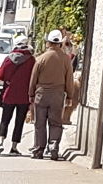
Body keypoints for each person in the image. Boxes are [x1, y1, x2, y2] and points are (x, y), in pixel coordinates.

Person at [29, 29, 75, 160]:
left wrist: (31, 94)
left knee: (40, 123)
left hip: (41, 94)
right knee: (55, 123)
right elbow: (69, 80)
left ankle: (39, 150)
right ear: (60, 43)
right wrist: (70, 96)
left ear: (48, 43)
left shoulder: (41, 58)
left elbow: (33, 78)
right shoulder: (66, 60)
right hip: (58, 95)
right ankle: (53, 146)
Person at [0, 35, 35, 156]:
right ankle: (14, 147)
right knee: (19, 121)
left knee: (5, 120)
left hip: (9, 94)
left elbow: (1, 75)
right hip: (24, 95)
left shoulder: (8, 59)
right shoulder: (31, 60)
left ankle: (0, 143)